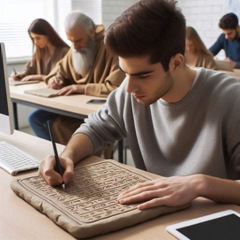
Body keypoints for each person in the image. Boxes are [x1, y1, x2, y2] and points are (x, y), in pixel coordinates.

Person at [39, 0, 240, 210]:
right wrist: (66, 156)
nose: (129, 88)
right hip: (152, 216)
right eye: (125, 72)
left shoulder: (229, 97)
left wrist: (201, 184)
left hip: (207, 220)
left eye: (142, 75)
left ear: (176, 63)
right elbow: (94, 129)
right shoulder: (130, 89)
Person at [29, 11, 125, 145]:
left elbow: (116, 87)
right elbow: (58, 72)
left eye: (79, 40)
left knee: (57, 125)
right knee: (36, 118)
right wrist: (56, 80)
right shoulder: (75, 47)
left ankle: (71, 157)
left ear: (92, 32)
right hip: (73, 106)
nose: (74, 47)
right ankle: (59, 156)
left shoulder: (110, 46)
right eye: (71, 41)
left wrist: (80, 88)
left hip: (98, 109)